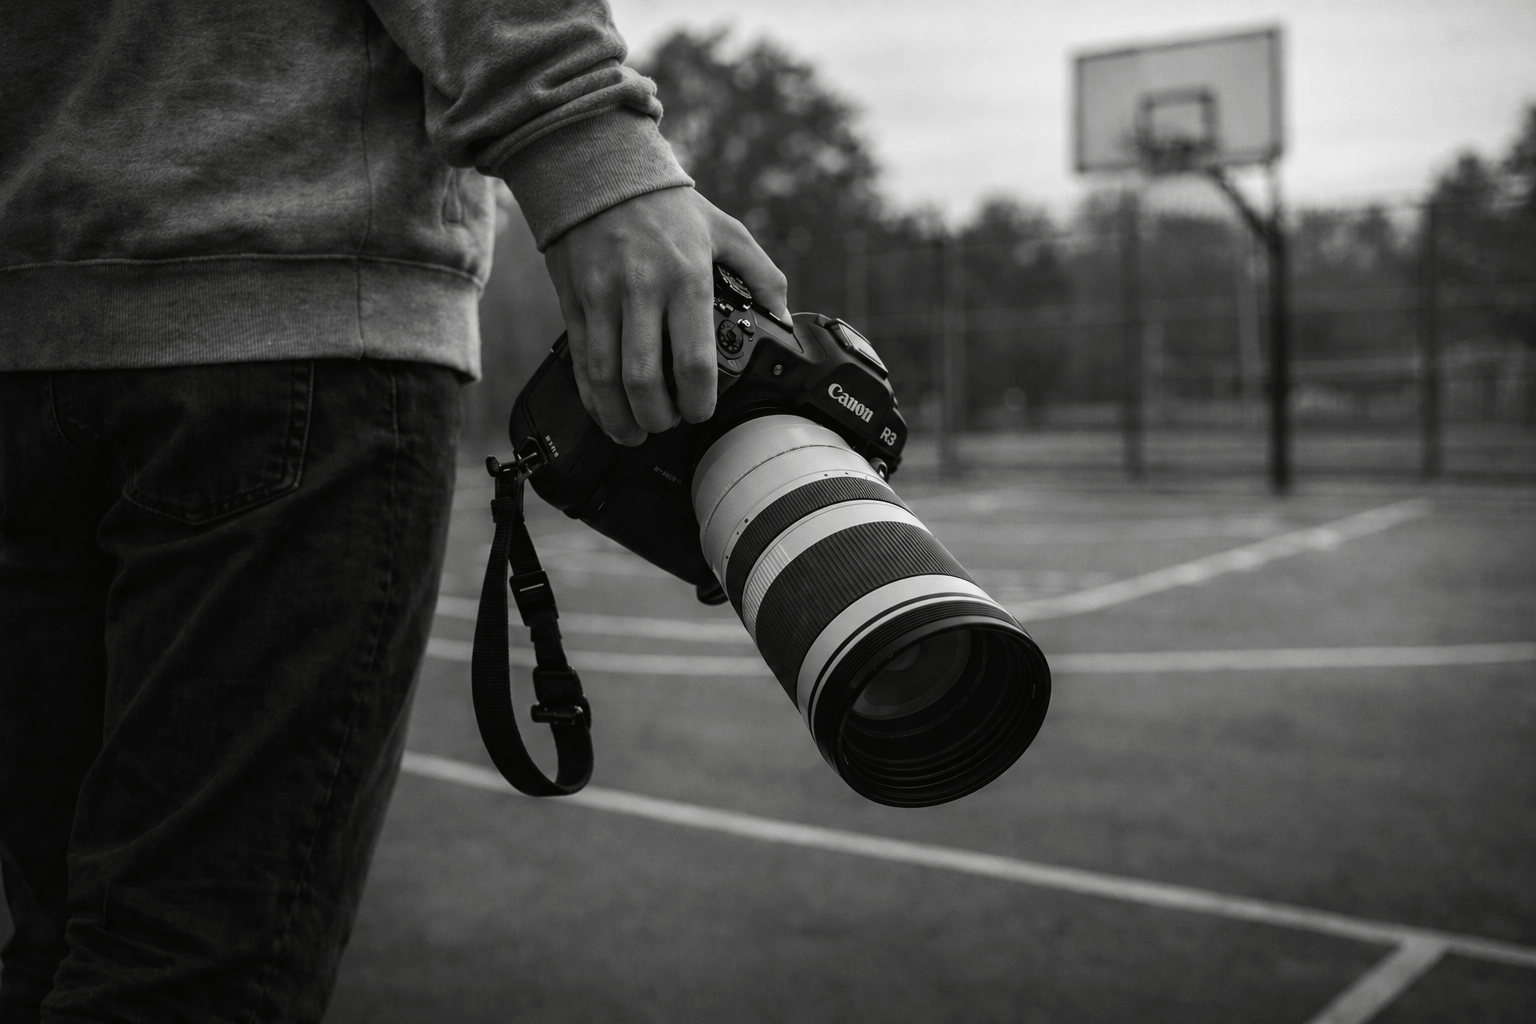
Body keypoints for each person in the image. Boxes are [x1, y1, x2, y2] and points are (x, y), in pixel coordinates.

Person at [0, 2, 788, 1021]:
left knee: (57, 948)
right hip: (285, 306)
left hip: (31, 327)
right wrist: (590, 148)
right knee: (179, 977)